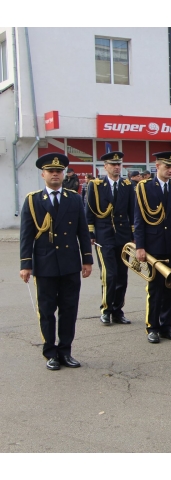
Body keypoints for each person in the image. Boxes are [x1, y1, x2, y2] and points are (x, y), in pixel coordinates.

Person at [19, 153, 93, 370]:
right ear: (43, 174)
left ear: (63, 174)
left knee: (69, 310)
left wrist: (87, 260)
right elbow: (26, 235)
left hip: (70, 263)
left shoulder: (74, 199)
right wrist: (25, 265)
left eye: (58, 171)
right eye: (50, 171)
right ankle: (50, 352)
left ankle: (65, 351)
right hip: (45, 265)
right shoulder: (33, 200)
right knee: (47, 311)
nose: (55, 174)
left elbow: (82, 232)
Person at [134, 151, 171, 344]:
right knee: (155, 288)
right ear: (157, 166)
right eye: (167, 166)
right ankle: (152, 327)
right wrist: (140, 246)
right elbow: (139, 219)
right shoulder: (145, 187)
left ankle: (166, 326)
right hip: (153, 245)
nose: (170, 170)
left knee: (170, 286)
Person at [86, 151, 135, 326]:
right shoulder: (96, 185)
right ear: (105, 167)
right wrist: (90, 233)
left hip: (123, 236)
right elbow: (89, 210)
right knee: (110, 275)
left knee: (122, 276)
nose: (116, 167)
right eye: (113, 165)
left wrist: (133, 235)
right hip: (104, 236)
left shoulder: (127, 185)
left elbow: (132, 211)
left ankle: (117, 310)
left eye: (118, 164)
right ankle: (106, 310)